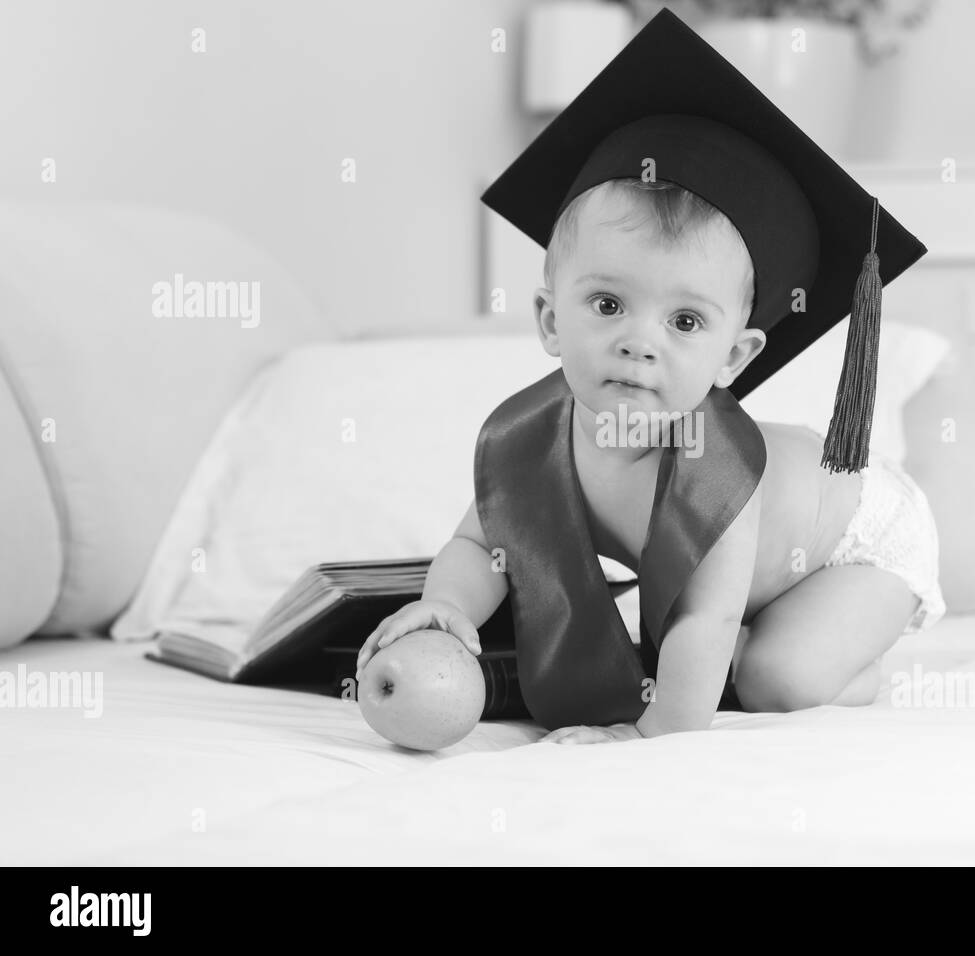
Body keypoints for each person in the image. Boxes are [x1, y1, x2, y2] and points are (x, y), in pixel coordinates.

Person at [355, 9, 945, 743]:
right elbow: (482, 547)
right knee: (718, 653)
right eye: (608, 304)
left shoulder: (722, 477)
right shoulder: (529, 440)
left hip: (855, 539)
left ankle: (861, 668)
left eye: (686, 322)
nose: (639, 342)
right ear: (549, 320)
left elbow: (705, 618)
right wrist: (446, 604)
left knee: (769, 679)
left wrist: (647, 734)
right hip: (758, 580)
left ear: (733, 357)